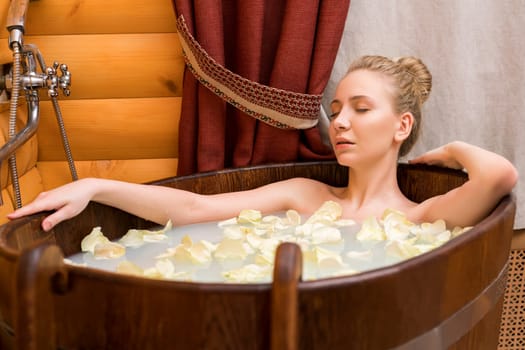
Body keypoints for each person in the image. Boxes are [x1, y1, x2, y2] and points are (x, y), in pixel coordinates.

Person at [7, 55, 518, 231]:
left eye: (361, 110)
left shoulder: (419, 220)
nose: (339, 123)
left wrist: (449, 149)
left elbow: (499, 176)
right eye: (336, 111)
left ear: (401, 126)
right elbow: (190, 208)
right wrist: (95, 185)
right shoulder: (305, 195)